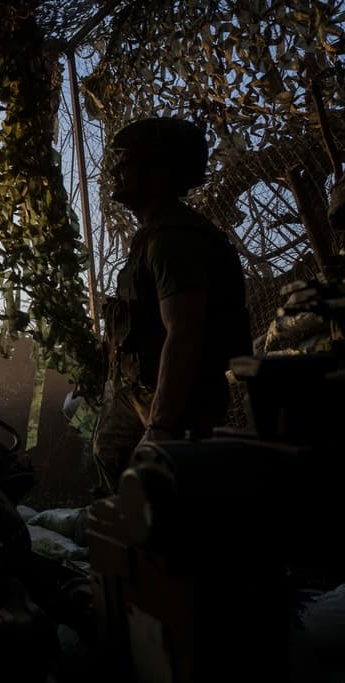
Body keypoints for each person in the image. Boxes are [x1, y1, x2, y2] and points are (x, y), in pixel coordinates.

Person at [93, 117, 252, 493]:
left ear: (158, 172)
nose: (117, 170)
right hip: (140, 390)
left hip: (177, 402)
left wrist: (161, 426)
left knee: (169, 497)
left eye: (127, 161)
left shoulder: (174, 239)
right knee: (118, 467)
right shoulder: (152, 238)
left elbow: (185, 330)